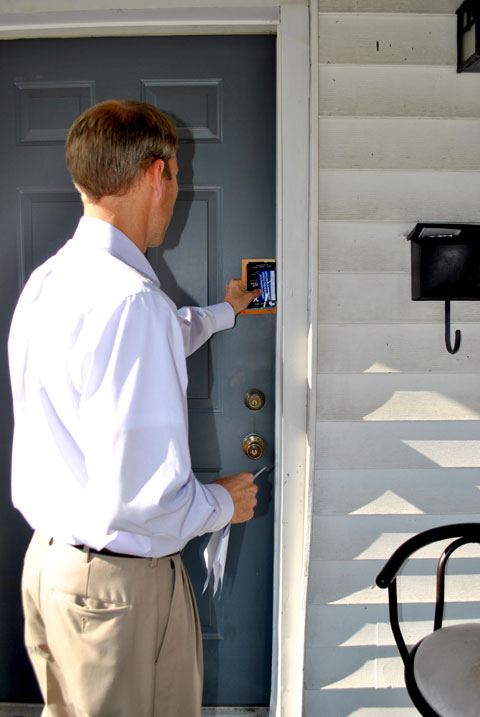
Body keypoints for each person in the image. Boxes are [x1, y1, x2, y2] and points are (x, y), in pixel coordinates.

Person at [8, 99, 261, 717]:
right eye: (176, 176)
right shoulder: (130, 302)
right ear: (156, 175)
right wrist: (224, 502)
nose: (175, 193)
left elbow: (146, 342)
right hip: (116, 590)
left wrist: (224, 313)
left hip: (53, 569)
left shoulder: (51, 281)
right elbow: (144, 498)